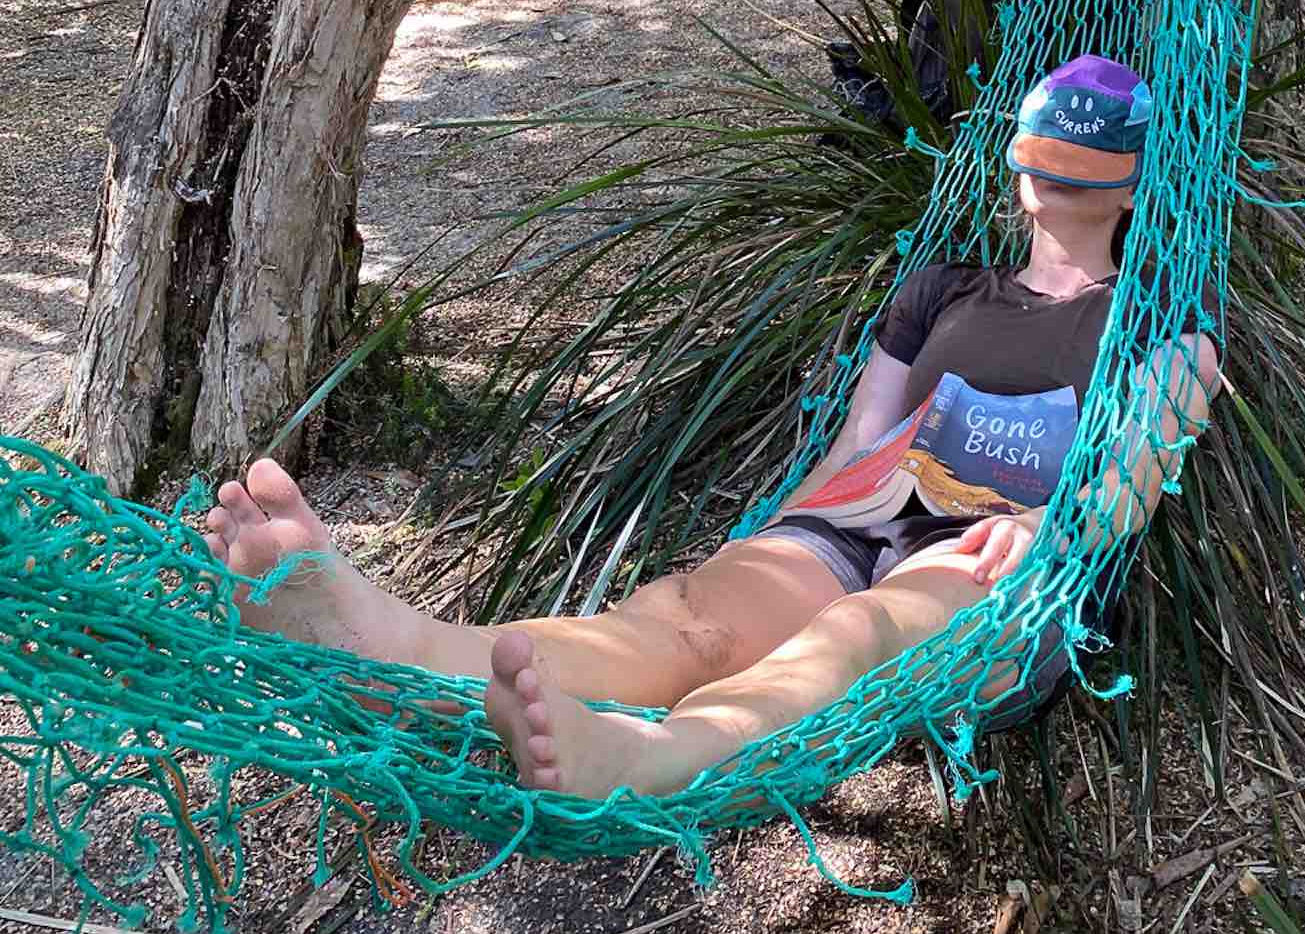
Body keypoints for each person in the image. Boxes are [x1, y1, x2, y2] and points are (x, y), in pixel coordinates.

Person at [205, 56, 1220, 803]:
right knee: (693, 620)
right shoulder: (943, 287)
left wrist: (1061, 535)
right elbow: (860, 433)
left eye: (1081, 165)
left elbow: (1139, 462)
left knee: (861, 633)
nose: (1052, 182)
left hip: (999, 553)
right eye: (1044, 156)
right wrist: (782, 536)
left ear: (1129, 185)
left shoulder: (1157, 317)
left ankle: (647, 760)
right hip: (864, 510)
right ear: (1014, 161)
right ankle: (395, 645)